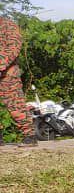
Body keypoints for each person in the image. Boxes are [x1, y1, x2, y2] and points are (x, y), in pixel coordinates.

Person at [0, 16, 37, 146]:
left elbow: (14, 46)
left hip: (7, 75)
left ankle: (29, 135)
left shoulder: (8, 25)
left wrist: (1, 63)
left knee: (15, 105)